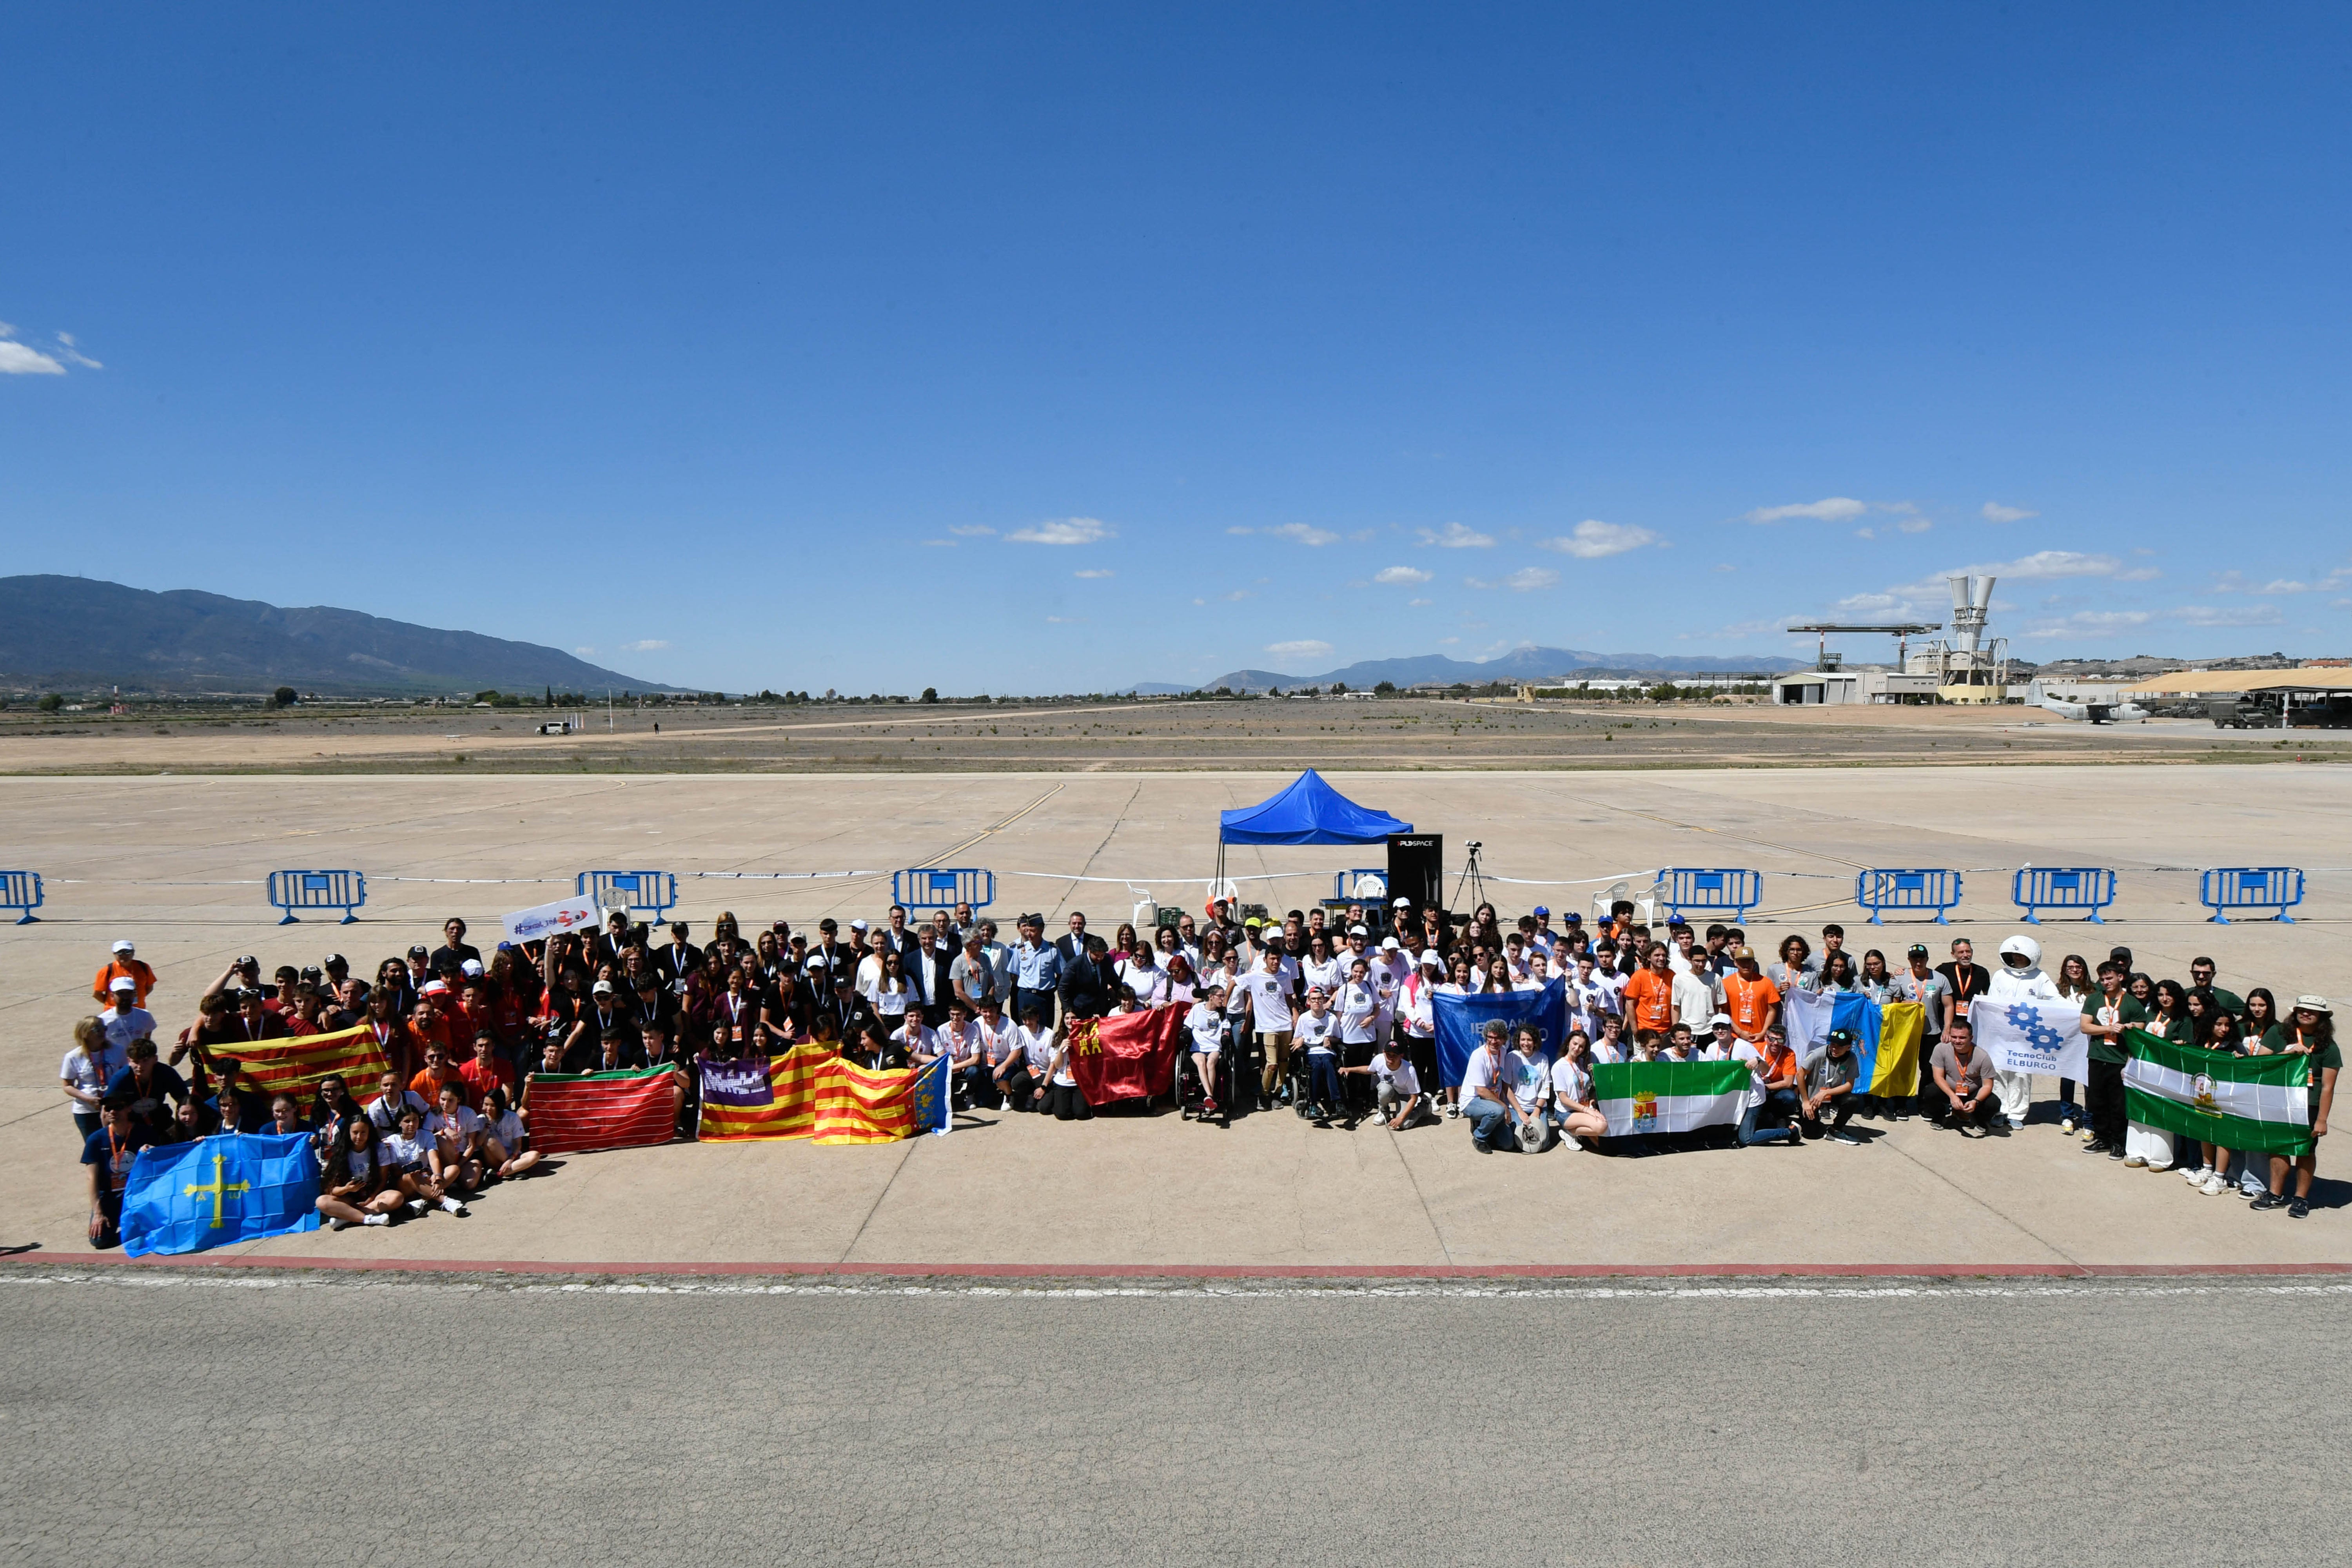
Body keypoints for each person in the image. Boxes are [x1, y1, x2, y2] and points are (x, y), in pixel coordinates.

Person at [2253, 996, 2337, 1218]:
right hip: (2279, 1100)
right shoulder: (2279, 1034)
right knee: (2278, 1148)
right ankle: (2275, 1194)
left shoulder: (2328, 1046)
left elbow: (2328, 1087)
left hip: (2308, 1105)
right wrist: (2286, 1054)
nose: (2306, 1014)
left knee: (2306, 1151)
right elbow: (2259, 1064)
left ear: (2321, 1017)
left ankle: (2301, 1198)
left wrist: (2322, 1119)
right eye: (2302, 1010)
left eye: (2312, 1012)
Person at [1984, 935, 2059, 1131]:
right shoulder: (2001, 975)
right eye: (2014, 955)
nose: (2017, 959)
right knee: (1999, 1072)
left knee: (2021, 1075)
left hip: (2026, 1038)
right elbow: (1993, 1002)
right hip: (2002, 1035)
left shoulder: (2040, 978)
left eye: (2021, 955)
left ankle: (2017, 1113)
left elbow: (2055, 1000)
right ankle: (2000, 1110)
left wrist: (2076, 1011)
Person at [315, 1113, 405, 1230]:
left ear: (369, 1133)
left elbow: (383, 1180)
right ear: (349, 1133)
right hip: (349, 1199)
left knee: (397, 1197)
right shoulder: (341, 1153)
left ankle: (347, 1217)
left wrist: (370, 1199)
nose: (359, 1137)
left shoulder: (379, 1149)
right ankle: (368, 1219)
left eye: (363, 1133)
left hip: (373, 1196)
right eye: (355, 1133)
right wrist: (347, 1189)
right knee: (322, 1202)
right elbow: (333, 1190)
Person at [82, 1097, 150, 1248]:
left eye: (118, 1107)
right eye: (108, 1108)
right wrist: (98, 1213)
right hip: (110, 1196)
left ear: (129, 1109)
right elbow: (91, 1177)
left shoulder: (145, 1133)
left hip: (138, 1195)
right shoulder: (96, 1139)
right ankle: (131, 1230)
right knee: (99, 1241)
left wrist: (151, 1151)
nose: (113, 1112)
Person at [1924, 1018, 2002, 1134]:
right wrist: (1952, 1097)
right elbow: (1938, 1077)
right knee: (1930, 1092)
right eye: (1954, 1037)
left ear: (1971, 1038)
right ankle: (1939, 1116)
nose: (1957, 1041)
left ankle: (1978, 1118)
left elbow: (1988, 1085)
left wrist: (1976, 1101)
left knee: (1994, 1103)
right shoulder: (1941, 1049)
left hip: (1972, 1093)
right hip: (1950, 1090)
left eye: (1962, 1038)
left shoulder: (1982, 1056)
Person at [104, 1037, 188, 1142]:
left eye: (145, 1061)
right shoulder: (121, 1079)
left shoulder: (166, 1073)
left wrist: (185, 1126)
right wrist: (109, 1138)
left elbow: (186, 1102)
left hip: (160, 1121)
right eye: (136, 1062)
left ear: (155, 1059)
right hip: (132, 1124)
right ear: (129, 1061)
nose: (140, 1066)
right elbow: (106, 1110)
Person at [1733, 1024, 1802, 1147]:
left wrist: (1764, 1087)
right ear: (1766, 1038)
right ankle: (1767, 1119)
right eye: (1772, 1039)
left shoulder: (1789, 1054)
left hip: (1775, 1091)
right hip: (1757, 1092)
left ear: (1784, 1041)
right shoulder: (1756, 1048)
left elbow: (1788, 1083)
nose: (1776, 1043)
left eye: (1780, 1040)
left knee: (1790, 1098)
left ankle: (1781, 1118)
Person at [61, 1016, 128, 1141]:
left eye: (104, 1028)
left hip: (114, 1108)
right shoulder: (73, 1057)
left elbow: (126, 1075)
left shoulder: (117, 1050)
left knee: (118, 1143)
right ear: (84, 1033)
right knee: (96, 1146)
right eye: (97, 1029)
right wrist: (88, 1099)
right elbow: (67, 1086)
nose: (102, 1032)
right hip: (87, 1110)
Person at [1797, 1028, 1863, 1143]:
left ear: (1848, 1047)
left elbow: (1849, 1085)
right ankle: (1814, 1119)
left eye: (1840, 1046)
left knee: (1852, 1100)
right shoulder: (1818, 1054)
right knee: (1811, 1134)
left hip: (1830, 1095)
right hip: (1813, 1097)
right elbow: (1800, 1074)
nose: (1834, 1049)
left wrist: (1826, 1093)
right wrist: (1806, 1101)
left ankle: (1835, 1129)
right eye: (1833, 1044)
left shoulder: (1852, 1058)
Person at [1458, 1020, 1513, 1153]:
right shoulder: (1479, 1056)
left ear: (1504, 1039)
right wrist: (1504, 1106)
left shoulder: (1503, 1052)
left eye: (1498, 1038)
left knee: (1508, 1144)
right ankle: (1479, 1137)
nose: (1494, 1042)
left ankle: (1482, 1123)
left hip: (1492, 1101)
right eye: (1490, 1038)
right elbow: (1481, 1091)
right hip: (1472, 1100)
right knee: (1498, 1111)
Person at [1294, 985, 1344, 1123]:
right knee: (1316, 1065)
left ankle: (1337, 1102)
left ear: (1324, 1001)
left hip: (1327, 1051)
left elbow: (1338, 1039)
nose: (1317, 1002)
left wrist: (1329, 1038)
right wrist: (1302, 1039)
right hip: (1311, 1051)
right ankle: (1313, 1104)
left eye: (1320, 999)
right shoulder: (1304, 1018)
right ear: (1309, 1002)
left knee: (1328, 1064)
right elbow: (1295, 1040)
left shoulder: (1332, 1018)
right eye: (1314, 999)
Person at [1185, 984, 1228, 1118]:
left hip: (1214, 1047)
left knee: (1211, 1063)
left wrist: (1226, 1036)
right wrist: (1185, 1034)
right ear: (1211, 997)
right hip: (1198, 1047)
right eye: (1220, 996)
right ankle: (1210, 1097)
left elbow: (1227, 1029)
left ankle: (1209, 1097)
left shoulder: (1222, 1012)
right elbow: (1187, 1026)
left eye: (1223, 996)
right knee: (1201, 1063)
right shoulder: (1198, 1009)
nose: (1223, 999)